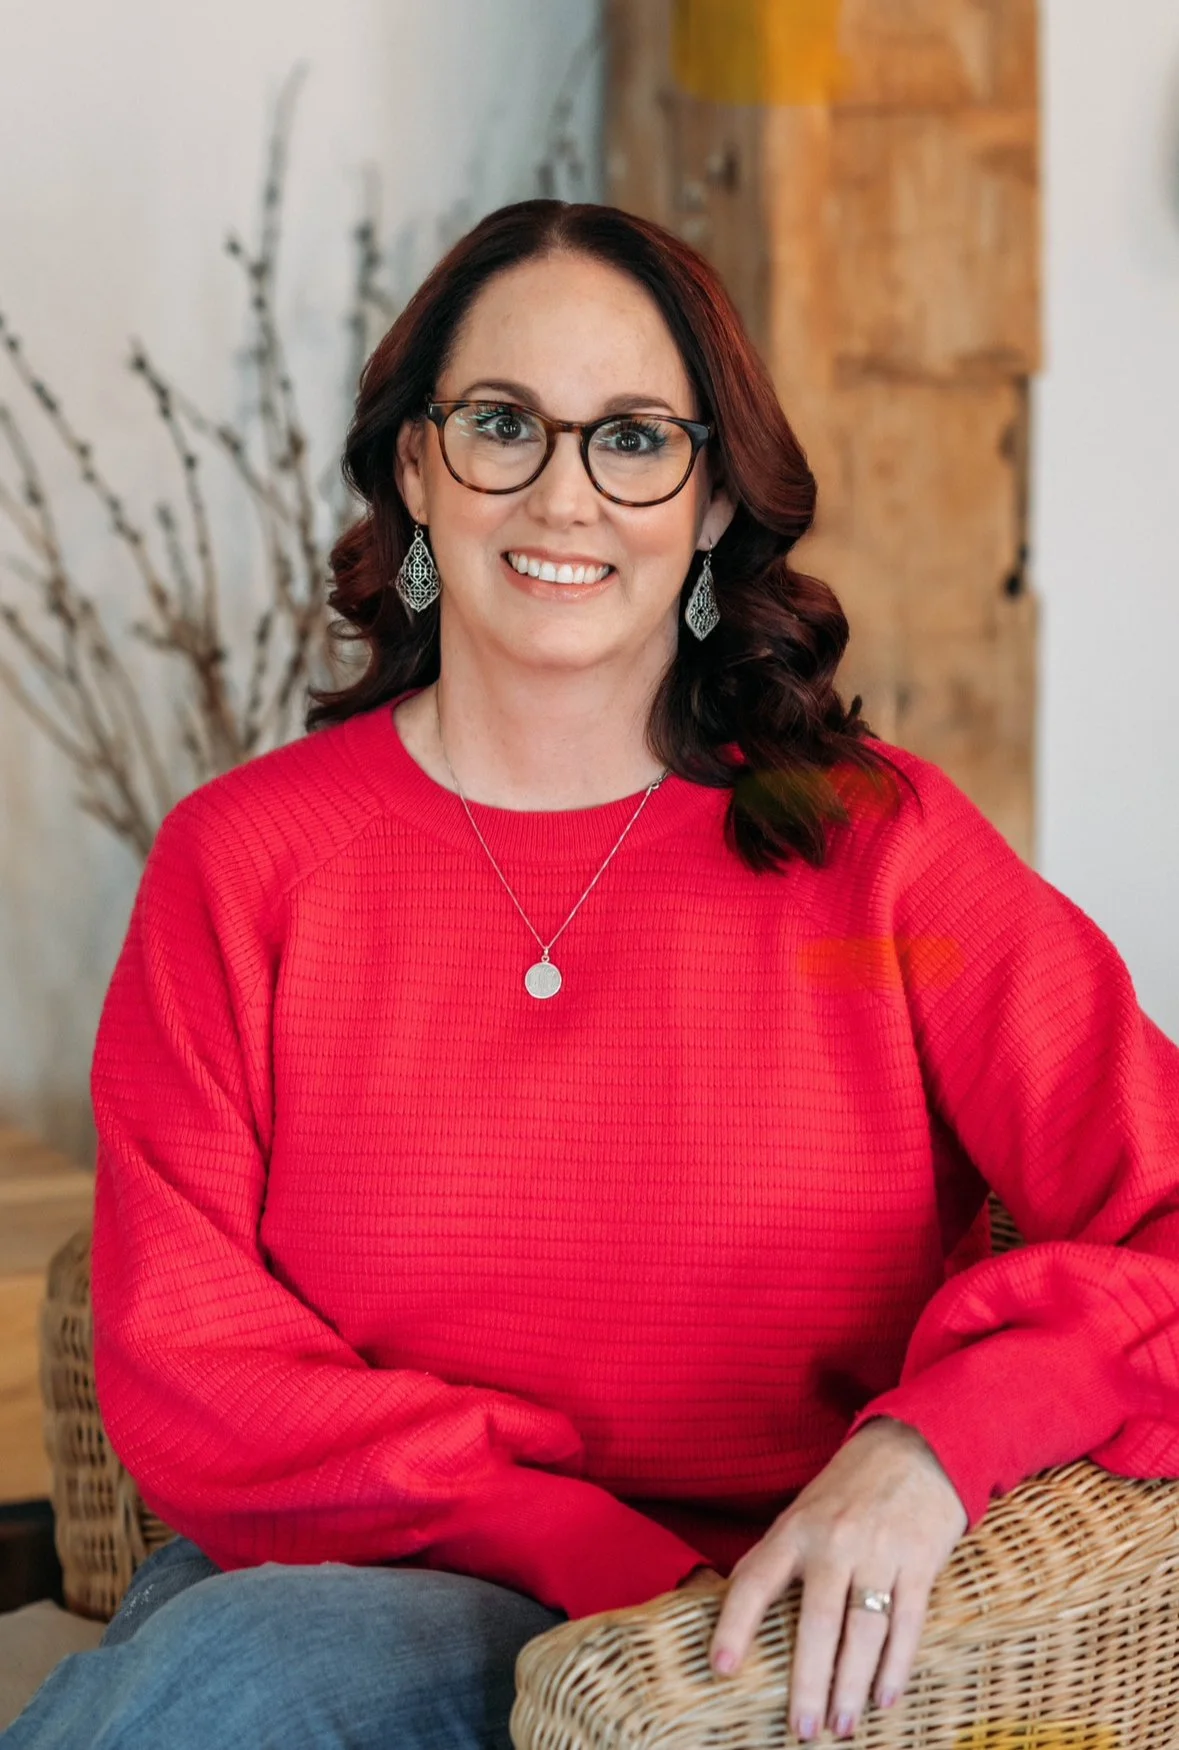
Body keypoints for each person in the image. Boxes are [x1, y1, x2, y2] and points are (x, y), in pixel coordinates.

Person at [6, 197, 1179, 1750]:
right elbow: (185, 1356)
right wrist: (591, 1552)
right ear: (416, 468)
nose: (563, 495)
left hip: (753, 1636)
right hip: (344, 1582)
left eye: (632, 439)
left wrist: (931, 1443)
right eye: (502, 424)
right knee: (238, 1670)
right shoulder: (243, 862)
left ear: (711, 497)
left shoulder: (880, 853)